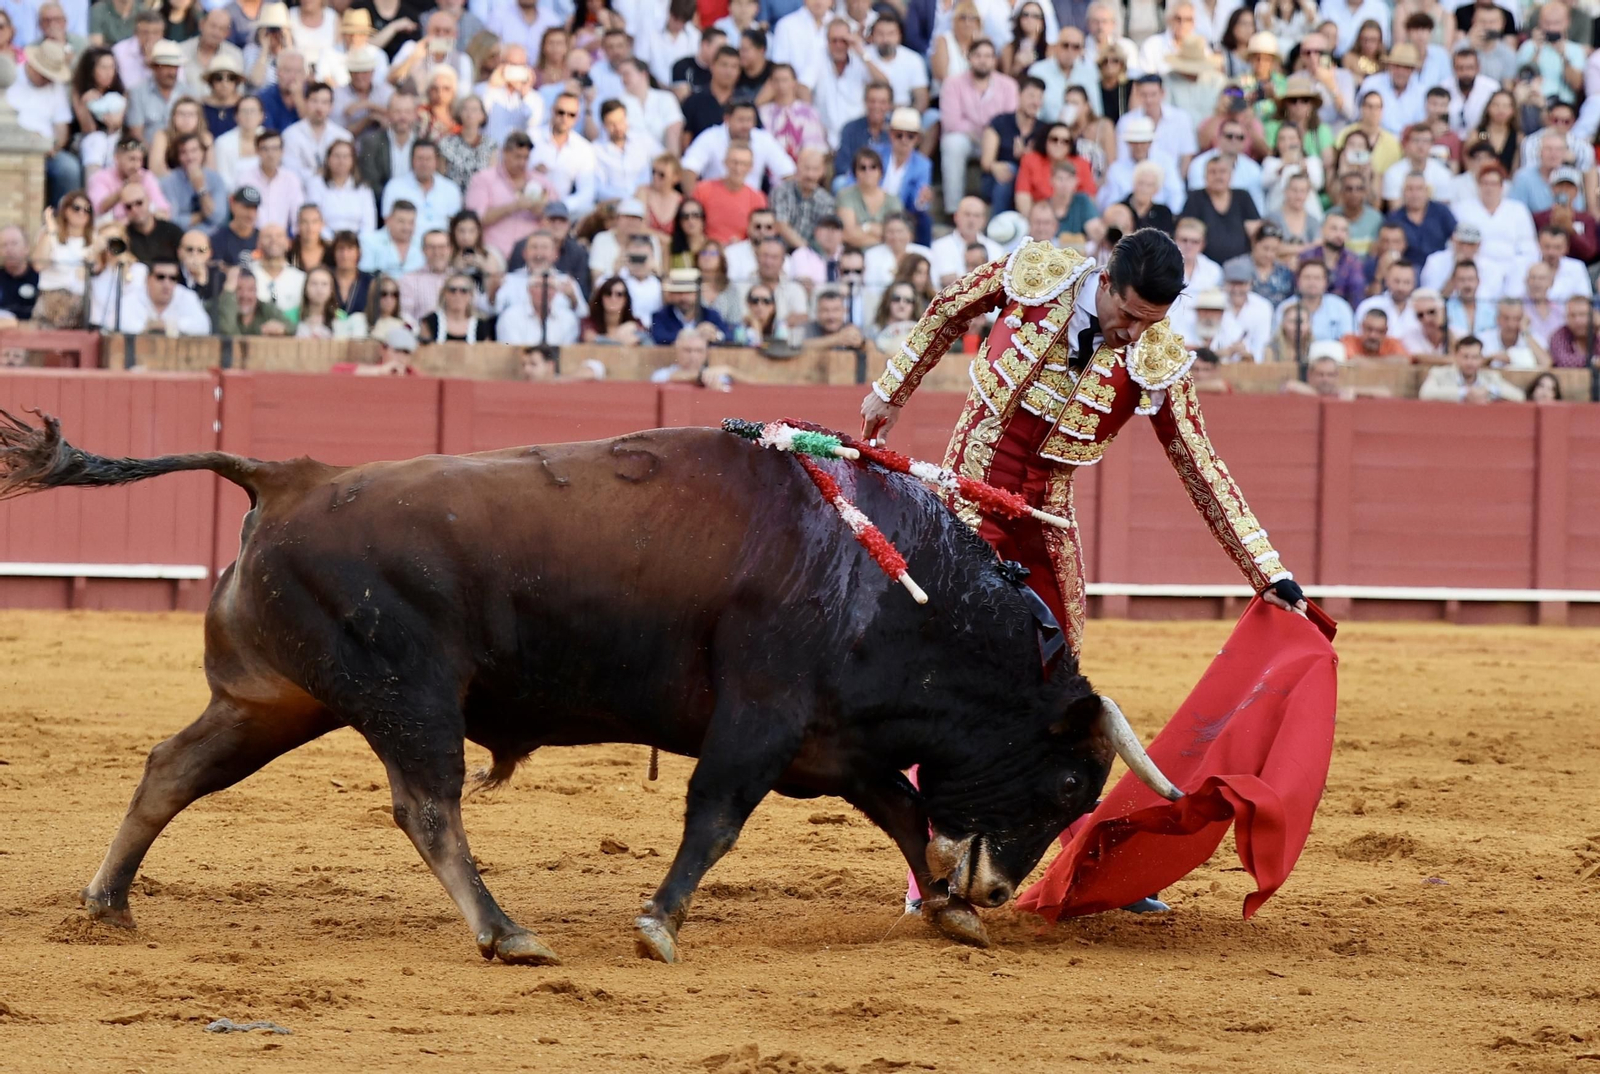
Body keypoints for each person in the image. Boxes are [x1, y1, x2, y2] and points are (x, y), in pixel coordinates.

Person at [861, 224, 1306, 682]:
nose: (1134, 333)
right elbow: (949, 308)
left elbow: (1200, 464)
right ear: (1107, 281)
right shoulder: (1038, 276)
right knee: (941, 622)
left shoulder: (1157, 356)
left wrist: (1266, 571)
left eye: (1150, 322)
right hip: (972, 481)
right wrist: (892, 390)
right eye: (1129, 316)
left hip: (1046, 510)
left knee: (1059, 651)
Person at [1182, 153, 1259, 264]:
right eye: (1213, 172)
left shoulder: (1243, 196)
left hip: (1241, 264)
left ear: (1231, 175)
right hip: (1204, 265)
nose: (1218, 176)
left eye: (1222, 172)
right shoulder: (1195, 198)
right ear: (1205, 176)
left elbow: (1255, 231)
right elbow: (1187, 229)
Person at [118, 255, 212, 334]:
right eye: (160, 277)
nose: (166, 284)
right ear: (147, 278)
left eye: (172, 278)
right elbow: (119, 324)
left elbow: (203, 326)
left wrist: (168, 325)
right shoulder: (133, 296)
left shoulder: (187, 296)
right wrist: (149, 328)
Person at [1418, 335, 1525, 401]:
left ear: (1481, 359)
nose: (1470, 362)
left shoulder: (1491, 378)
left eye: (1475, 357)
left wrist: (1489, 390)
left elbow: (1519, 396)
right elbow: (1425, 393)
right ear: (1456, 357)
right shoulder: (1439, 374)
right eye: (1465, 357)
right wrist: (1464, 393)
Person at [209, 263, 292, 336]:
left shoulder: (264, 308)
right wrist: (228, 293)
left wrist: (282, 329)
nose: (245, 295)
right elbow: (226, 331)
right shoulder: (215, 307)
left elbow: (292, 327)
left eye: (251, 290)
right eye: (239, 289)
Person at [650, 267, 728, 344]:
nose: (683, 298)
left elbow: (729, 335)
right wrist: (696, 333)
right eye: (679, 293)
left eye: (688, 293)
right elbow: (659, 337)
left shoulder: (710, 314)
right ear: (671, 295)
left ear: (697, 294)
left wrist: (716, 335)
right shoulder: (661, 316)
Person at [417, 271, 494, 342]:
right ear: (445, 294)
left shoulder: (482, 326)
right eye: (452, 290)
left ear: (470, 295)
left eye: (463, 291)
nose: (458, 295)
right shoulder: (429, 323)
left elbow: (486, 353)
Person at [120, 181, 184, 265]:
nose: (134, 210)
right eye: (128, 207)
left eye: (139, 203)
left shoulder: (172, 231)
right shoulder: (123, 236)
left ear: (149, 200)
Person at [332, 324, 419, 375]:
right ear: (382, 349)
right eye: (397, 351)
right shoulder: (372, 370)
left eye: (406, 352)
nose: (401, 356)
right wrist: (380, 371)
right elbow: (336, 370)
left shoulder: (412, 374)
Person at [581, 274, 642, 344]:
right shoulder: (588, 323)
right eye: (608, 293)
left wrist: (599, 339)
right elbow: (588, 339)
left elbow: (648, 343)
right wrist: (621, 340)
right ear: (601, 298)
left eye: (619, 294)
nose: (613, 298)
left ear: (626, 299)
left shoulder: (636, 323)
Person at [0, 225, 42, 322]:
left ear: (27, 248)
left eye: (14, 243)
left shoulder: (40, 278)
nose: (9, 249)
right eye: (4, 245)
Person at [210, 185, 259, 264]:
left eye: (255, 208)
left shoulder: (261, 239)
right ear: (233, 204)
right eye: (246, 207)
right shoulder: (218, 239)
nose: (251, 214)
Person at [1548, 294, 1599, 368]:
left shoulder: (1596, 332)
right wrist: (1593, 361)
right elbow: (1563, 361)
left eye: (1582, 315)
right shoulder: (1559, 335)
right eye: (1572, 315)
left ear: (1593, 316)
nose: (1577, 320)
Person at [1341, 307, 1410, 360]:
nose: (1373, 336)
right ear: (1361, 327)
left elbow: (1403, 361)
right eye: (1369, 329)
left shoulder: (1392, 343)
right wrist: (1387, 363)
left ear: (1386, 331)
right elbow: (1353, 361)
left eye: (1380, 331)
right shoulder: (1350, 340)